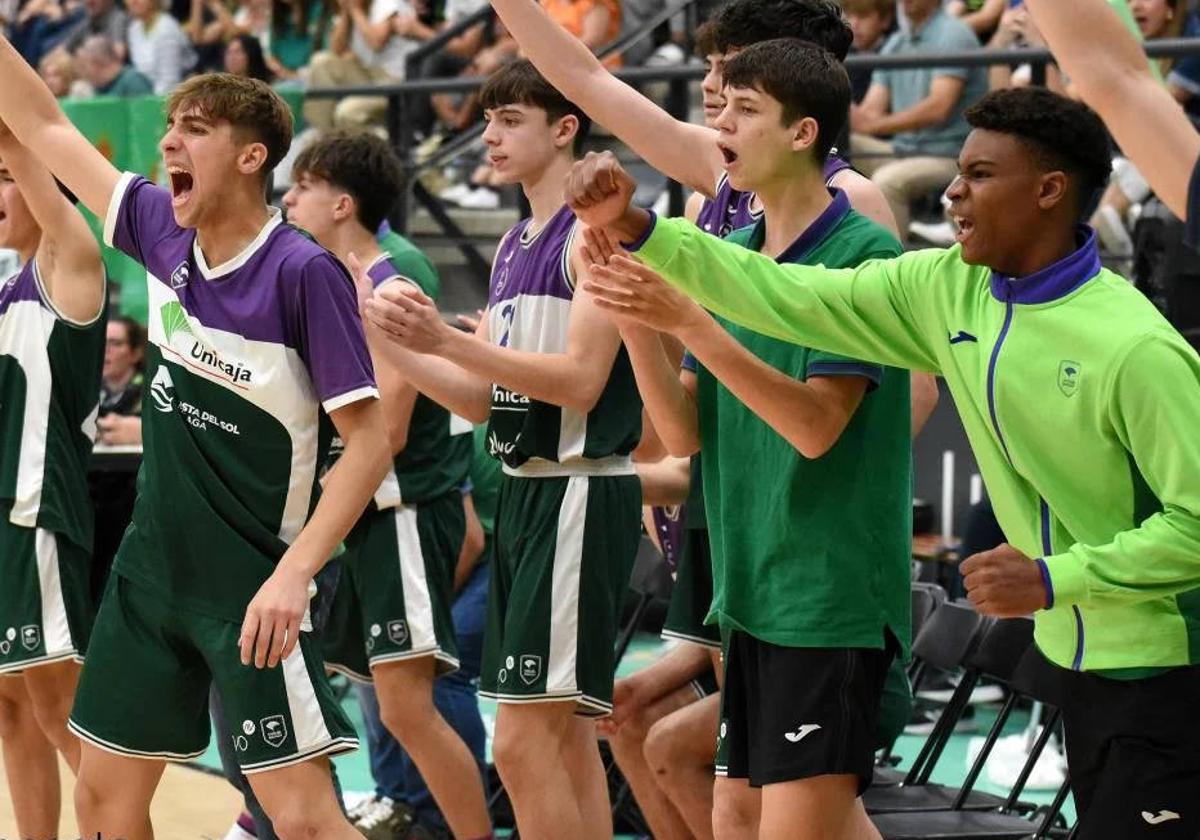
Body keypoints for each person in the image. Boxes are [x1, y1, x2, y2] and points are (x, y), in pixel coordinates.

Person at [576, 84, 1200, 840]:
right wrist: (640, 226)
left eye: (979, 175)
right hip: (1080, 653)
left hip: (1170, 661)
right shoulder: (949, 287)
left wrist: (1050, 577)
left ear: (1049, 190)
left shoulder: (1136, 349)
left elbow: (1196, 526)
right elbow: (788, 293)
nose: (954, 192)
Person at [0, 39, 393, 836]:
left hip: (250, 587)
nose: (169, 141)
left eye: (196, 129)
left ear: (252, 157)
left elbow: (372, 442)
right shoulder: (159, 229)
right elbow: (43, 124)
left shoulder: (300, 272)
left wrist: (296, 574)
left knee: (305, 818)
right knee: (106, 804)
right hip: (149, 577)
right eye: (170, 125)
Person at [585, 37, 913, 840]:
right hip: (753, 589)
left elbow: (813, 427)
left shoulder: (860, 255)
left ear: (803, 135)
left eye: (744, 108)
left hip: (828, 598)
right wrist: (633, 315)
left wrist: (691, 318)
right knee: (741, 816)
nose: (719, 119)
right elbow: (685, 430)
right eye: (719, 104)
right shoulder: (731, 253)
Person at [359, 59, 643, 840]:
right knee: (566, 738)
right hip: (526, 487)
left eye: (510, 119)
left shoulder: (592, 236)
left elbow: (581, 382)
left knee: (519, 744)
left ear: (564, 127)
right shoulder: (516, 243)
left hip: (581, 486)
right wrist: (398, 343)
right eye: (486, 120)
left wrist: (446, 336)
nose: (490, 135)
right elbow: (492, 405)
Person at [281, 127, 493, 840]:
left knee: (407, 703)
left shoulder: (388, 279)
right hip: (372, 510)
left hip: (401, 505)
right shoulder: (329, 276)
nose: (288, 197)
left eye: (302, 185)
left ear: (343, 203)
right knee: (374, 689)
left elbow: (390, 429)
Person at [0, 115, 107, 840]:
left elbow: (32, 148)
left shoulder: (70, 268)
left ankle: (118, 829)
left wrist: (13, 142)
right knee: (9, 706)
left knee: (56, 702)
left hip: (37, 513)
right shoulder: (8, 291)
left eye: (6, 182)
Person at [1019, 0, 1199, 226]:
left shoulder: (1191, 46)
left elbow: (1140, 107)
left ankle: (1107, 222)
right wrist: (1036, 46)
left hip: (1157, 152)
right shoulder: (1127, 46)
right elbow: (1069, 102)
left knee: (1137, 145)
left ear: (1171, 8)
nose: (1136, 6)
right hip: (1116, 151)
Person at [849, 0, 987, 238]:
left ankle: (891, 267)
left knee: (889, 181)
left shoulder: (954, 34)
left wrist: (873, 124)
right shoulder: (897, 41)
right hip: (902, 150)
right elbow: (869, 114)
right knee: (831, 148)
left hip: (951, 156)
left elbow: (938, 108)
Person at [126, 0, 196, 93]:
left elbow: (169, 83)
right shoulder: (134, 28)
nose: (133, 1)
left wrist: (148, 104)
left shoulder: (167, 29)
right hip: (144, 95)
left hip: (175, 97)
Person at [75, 33, 154, 96]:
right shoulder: (97, 88)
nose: (82, 73)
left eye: (84, 67)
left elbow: (145, 113)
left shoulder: (133, 82)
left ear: (98, 62)